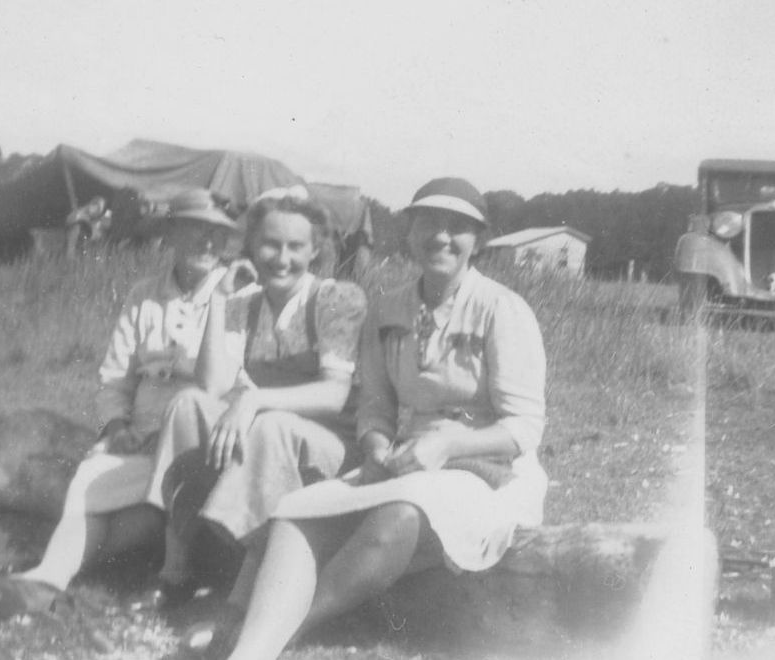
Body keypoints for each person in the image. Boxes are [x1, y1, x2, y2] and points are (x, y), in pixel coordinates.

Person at [219, 177, 548, 660]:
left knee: (402, 514)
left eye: (457, 228)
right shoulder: (389, 307)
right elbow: (374, 403)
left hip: (486, 472)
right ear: (409, 233)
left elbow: (523, 428)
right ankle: (249, 650)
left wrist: (449, 446)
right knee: (298, 511)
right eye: (428, 224)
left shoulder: (502, 309)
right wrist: (374, 445)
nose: (441, 237)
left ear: (478, 240)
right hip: (407, 460)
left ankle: (293, 633)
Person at [0, 189, 241, 618]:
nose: (208, 243)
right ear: (171, 234)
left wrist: (219, 301)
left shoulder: (236, 297)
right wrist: (115, 426)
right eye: (196, 230)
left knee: (142, 515)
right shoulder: (144, 295)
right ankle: (48, 580)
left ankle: (50, 573)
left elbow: (213, 386)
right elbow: (115, 377)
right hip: (140, 435)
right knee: (93, 479)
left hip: (194, 443)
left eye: (217, 235)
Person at [154, 190, 368, 626]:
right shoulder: (245, 304)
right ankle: (176, 569)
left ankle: (235, 604)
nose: (282, 258)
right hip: (274, 434)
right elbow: (211, 384)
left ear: (316, 250)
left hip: (334, 447)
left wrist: (254, 399)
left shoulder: (336, 299)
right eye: (271, 244)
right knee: (189, 404)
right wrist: (217, 298)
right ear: (251, 245)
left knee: (271, 429)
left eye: (296, 247)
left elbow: (334, 395)